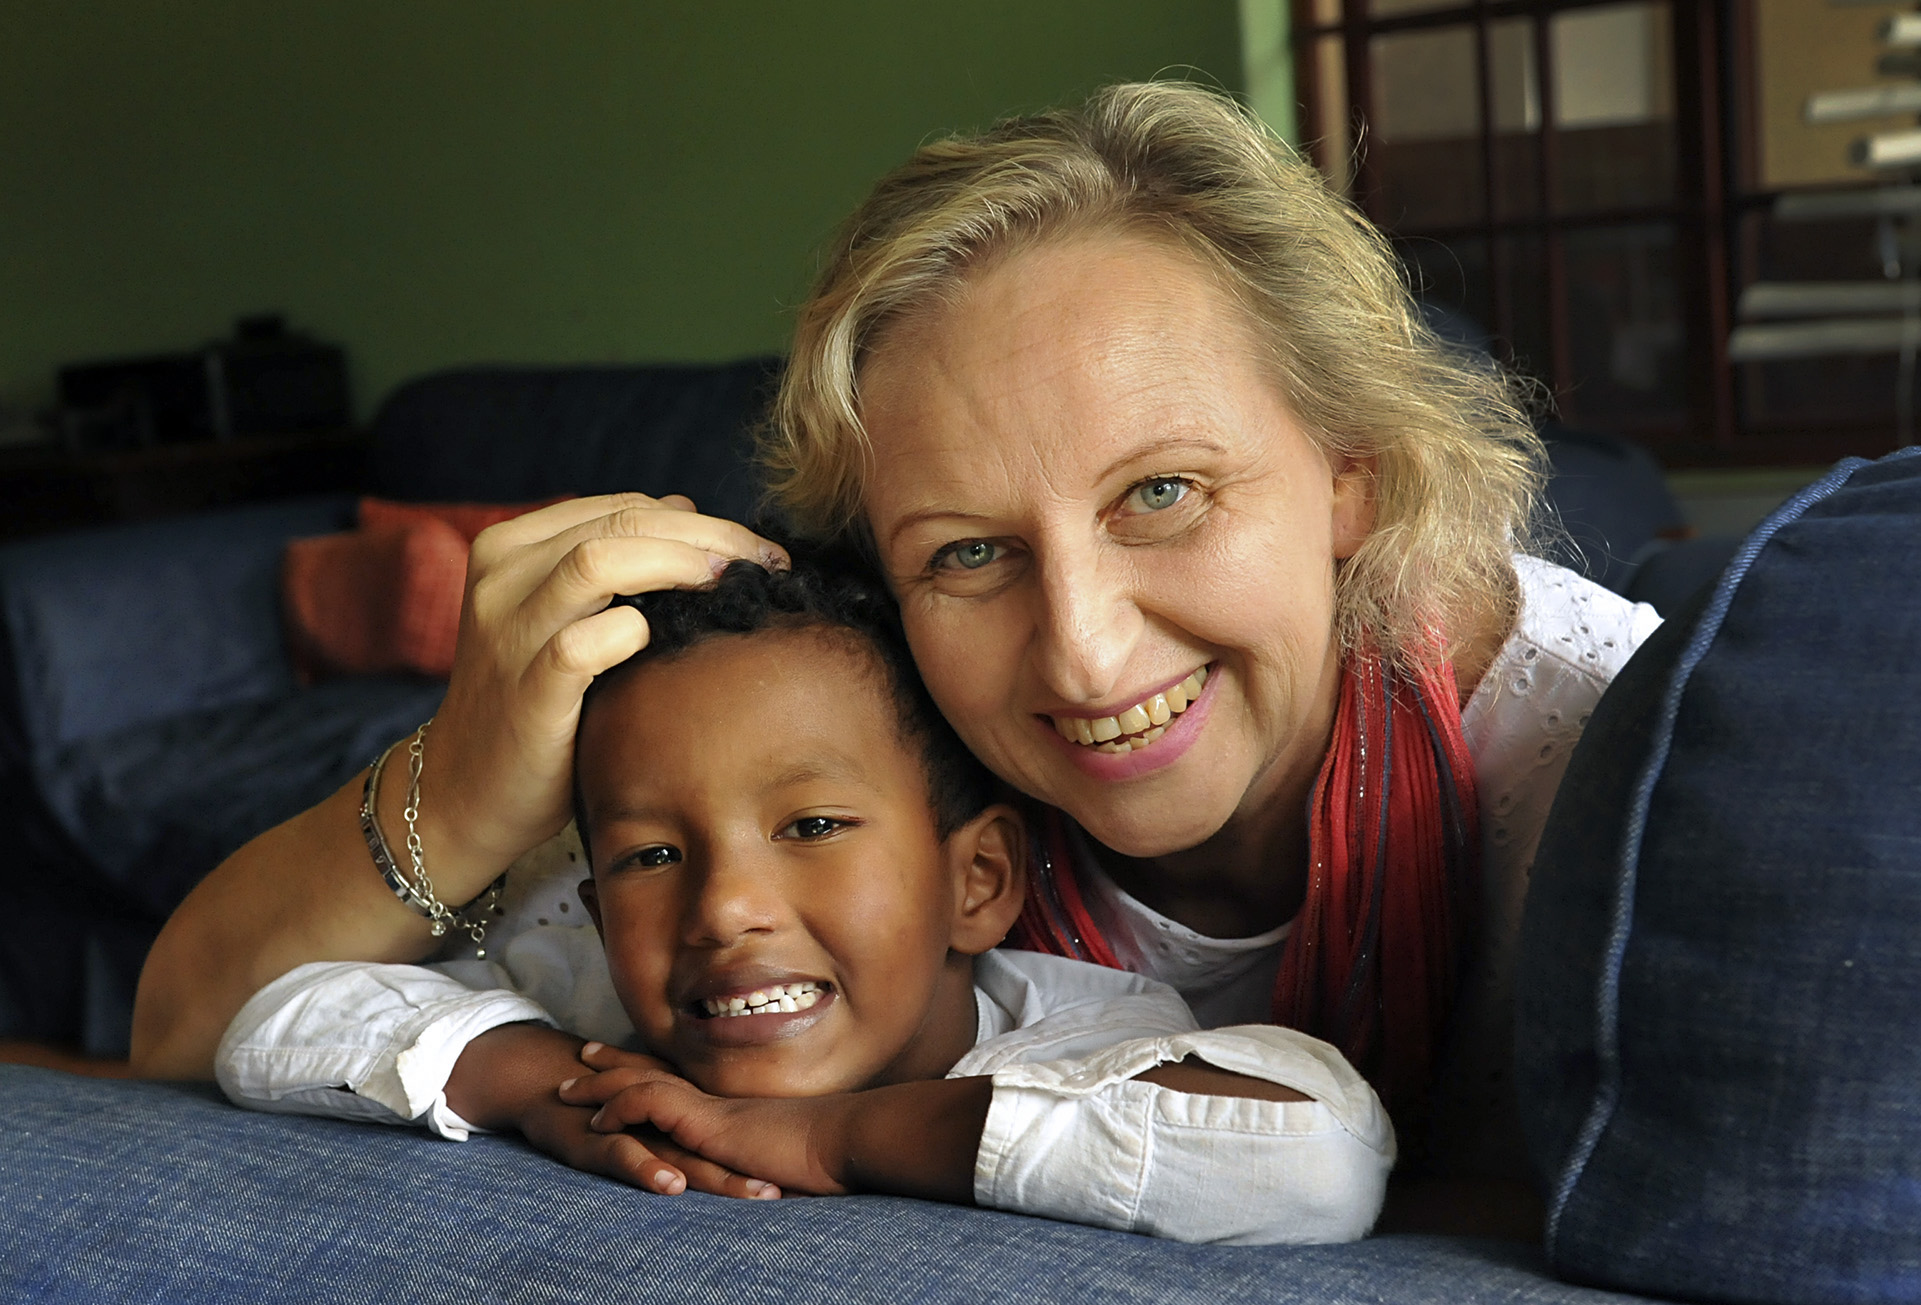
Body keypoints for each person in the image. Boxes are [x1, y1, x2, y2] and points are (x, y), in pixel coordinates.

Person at [133, 81, 1660, 1225]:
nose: (1081, 648)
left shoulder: (1615, 758)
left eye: (1164, 494)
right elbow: (185, 1043)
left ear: (1352, 477)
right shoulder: (834, 754)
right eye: (968, 552)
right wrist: (471, 779)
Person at [215, 560, 1394, 1245]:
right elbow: (270, 1024)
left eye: (813, 828)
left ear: (976, 882)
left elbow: (1314, 1158)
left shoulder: (1086, 1033)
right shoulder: (586, 1002)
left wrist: (828, 1138)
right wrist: (541, 1087)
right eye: (650, 856)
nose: (725, 908)